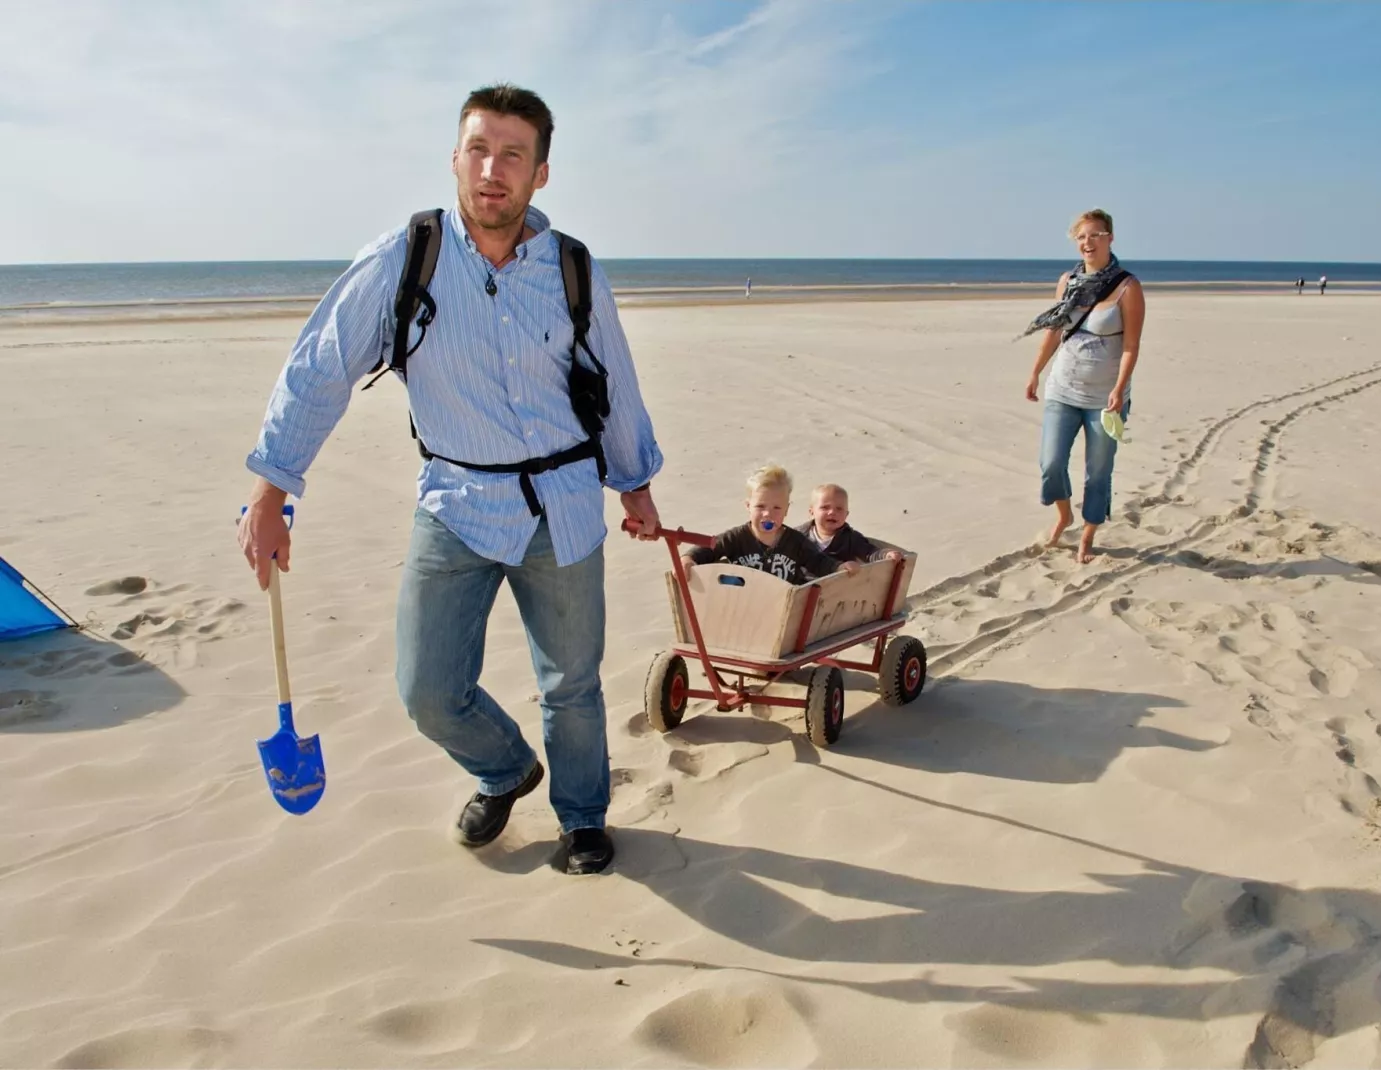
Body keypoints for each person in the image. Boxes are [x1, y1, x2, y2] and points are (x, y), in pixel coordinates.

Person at [237, 84, 664, 876]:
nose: (492, 169)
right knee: (427, 688)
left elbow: (615, 381)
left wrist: (634, 482)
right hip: (457, 504)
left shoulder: (572, 267)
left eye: (512, 155)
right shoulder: (406, 259)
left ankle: (583, 818)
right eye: (478, 149)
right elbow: (321, 368)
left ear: (540, 174)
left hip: (563, 506)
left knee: (571, 684)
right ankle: (505, 769)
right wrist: (272, 487)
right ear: (455, 158)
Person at [1022, 209, 1147, 563]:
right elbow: (1055, 331)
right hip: (1063, 387)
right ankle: (1064, 515)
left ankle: (1088, 534)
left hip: (1106, 397)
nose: (1087, 242)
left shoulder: (1128, 287)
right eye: (1081, 237)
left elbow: (1131, 345)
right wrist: (1035, 372)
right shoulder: (1067, 281)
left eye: (1095, 235)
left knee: (1098, 471)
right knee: (1051, 463)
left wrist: (1119, 388)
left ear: (1110, 238)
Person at [684, 466, 857, 584]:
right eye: (760, 506)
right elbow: (709, 548)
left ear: (786, 510)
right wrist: (688, 559)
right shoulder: (736, 538)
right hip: (745, 604)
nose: (768, 514)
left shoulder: (795, 541)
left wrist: (838, 567)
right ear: (748, 507)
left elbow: (818, 562)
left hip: (784, 608)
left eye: (777, 508)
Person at [795, 483, 902, 564]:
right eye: (825, 507)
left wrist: (886, 554)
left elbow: (869, 552)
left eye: (839, 509)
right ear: (812, 512)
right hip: (805, 586)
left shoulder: (850, 538)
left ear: (846, 515)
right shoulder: (798, 535)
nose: (832, 512)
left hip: (839, 587)